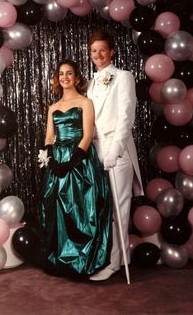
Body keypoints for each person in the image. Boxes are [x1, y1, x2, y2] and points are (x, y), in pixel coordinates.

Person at [38, 59, 112, 278]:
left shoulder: (85, 102)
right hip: (58, 159)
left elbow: (88, 135)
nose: (65, 77)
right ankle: (60, 258)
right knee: (58, 210)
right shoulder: (53, 107)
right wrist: (52, 161)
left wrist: (71, 162)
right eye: (61, 74)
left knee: (80, 208)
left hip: (78, 159)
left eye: (69, 73)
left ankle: (81, 259)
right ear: (57, 78)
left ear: (76, 77)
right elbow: (49, 137)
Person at [87, 30, 144, 281]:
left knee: (118, 209)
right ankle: (116, 258)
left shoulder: (124, 77)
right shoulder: (90, 82)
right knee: (101, 209)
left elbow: (125, 117)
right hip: (95, 149)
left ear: (112, 52)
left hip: (117, 150)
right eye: (93, 51)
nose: (98, 55)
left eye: (102, 50)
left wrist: (115, 150)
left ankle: (115, 264)